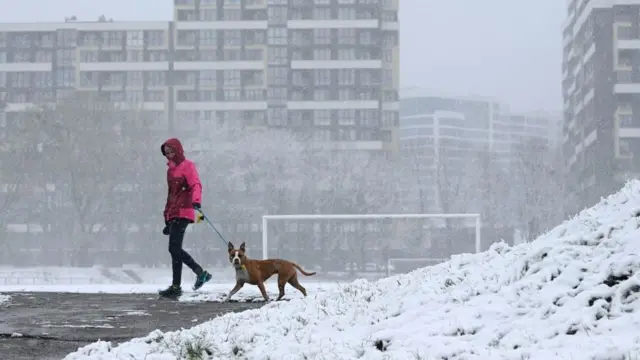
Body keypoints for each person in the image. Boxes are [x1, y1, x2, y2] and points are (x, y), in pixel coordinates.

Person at [158, 138, 212, 299]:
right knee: (175, 251)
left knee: (174, 249)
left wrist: (196, 200)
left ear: (178, 150)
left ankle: (200, 273)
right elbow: (171, 195)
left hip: (185, 211)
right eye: (166, 153)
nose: (169, 155)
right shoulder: (170, 171)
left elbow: (196, 184)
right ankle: (176, 287)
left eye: (171, 152)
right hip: (174, 212)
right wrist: (166, 217)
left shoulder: (188, 166)